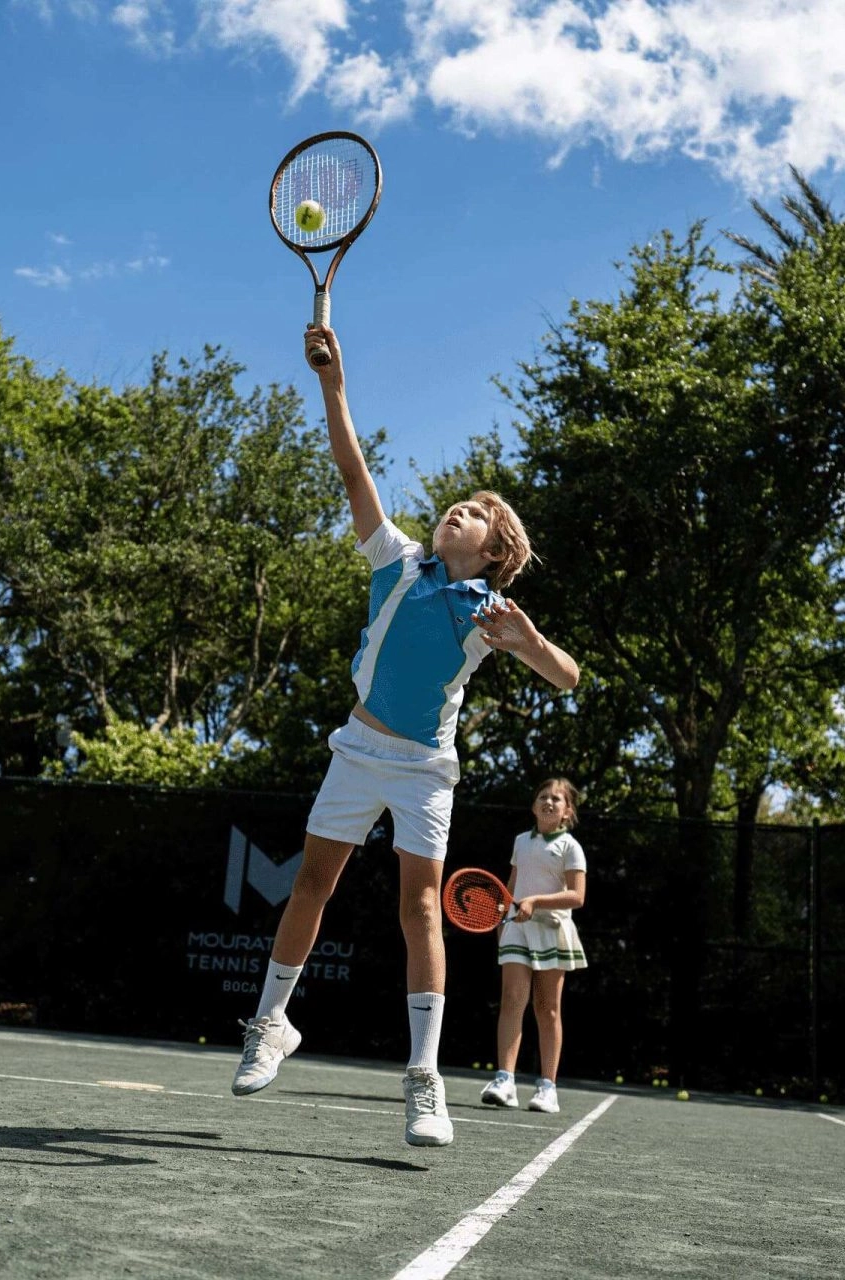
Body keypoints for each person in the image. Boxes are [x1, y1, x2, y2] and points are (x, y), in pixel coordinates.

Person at [231, 324, 580, 1147]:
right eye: (455, 506)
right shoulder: (397, 559)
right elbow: (352, 467)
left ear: (492, 552)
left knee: (419, 905)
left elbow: (567, 677)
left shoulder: (488, 614)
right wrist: (333, 381)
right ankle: (271, 1023)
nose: (453, 511)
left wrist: (527, 641)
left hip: (425, 770)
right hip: (357, 748)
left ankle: (425, 1079)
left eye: (472, 517)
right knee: (310, 884)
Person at [480, 777, 588, 1114]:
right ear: (533, 805)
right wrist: (502, 917)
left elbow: (577, 896)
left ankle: (547, 1087)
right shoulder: (520, 842)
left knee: (547, 1009)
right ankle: (504, 1080)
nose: (549, 802)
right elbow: (510, 889)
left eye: (557, 799)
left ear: (567, 811)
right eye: (543, 796)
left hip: (553, 931)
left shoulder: (570, 846)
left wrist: (535, 902)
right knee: (512, 1000)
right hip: (517, 930)